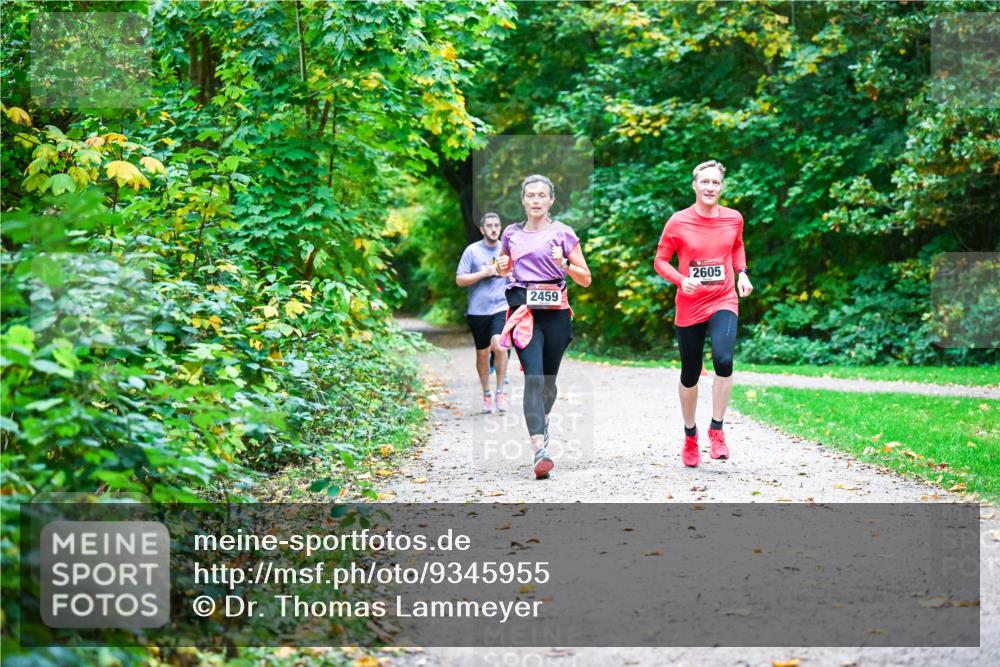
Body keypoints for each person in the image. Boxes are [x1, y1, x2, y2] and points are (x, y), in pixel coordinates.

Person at [654, 160, 753, 467]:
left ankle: (717, 430)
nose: (711, 187)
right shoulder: (678, 222)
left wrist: (742, 274)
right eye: (705, 182)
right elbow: (661, 261)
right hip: (690, 304)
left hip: (723, 298)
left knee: (723, 360)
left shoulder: (733, 218)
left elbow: (736, 246)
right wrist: (682, 280)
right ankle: (690, 436)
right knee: (690, 372)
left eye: (716, 183)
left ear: (721, 187)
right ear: (694, 185)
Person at [495, 175, 591, 479]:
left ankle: (543, 419)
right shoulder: (511, 234)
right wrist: (501, 267)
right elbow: (505, 267)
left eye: (541, 195)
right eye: (530, 195)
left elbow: (585, 277)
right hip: (525, 313)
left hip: (556, 313)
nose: (535, 200)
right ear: (523, 200)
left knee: (548, 384)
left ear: (550, 200)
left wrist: (563, 263)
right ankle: (539, 450)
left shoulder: (564, 233)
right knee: (533, 379)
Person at [456, 212, 510, 413]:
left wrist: (510, 274)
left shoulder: (507, 250)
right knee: (482, 353)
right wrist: (483, 273)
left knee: (500, 345)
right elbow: (460, 280)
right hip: (478, 311)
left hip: (501, 307)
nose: (494, 229)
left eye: (497, 225)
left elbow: (517, 276)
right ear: (482, 230)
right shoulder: (472, 251)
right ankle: (487, 393)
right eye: (490, 226)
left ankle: (500, 392)